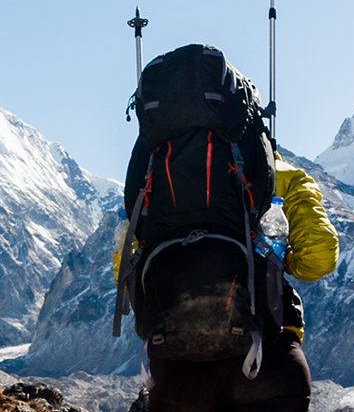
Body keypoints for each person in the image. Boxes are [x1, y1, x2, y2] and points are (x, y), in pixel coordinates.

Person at [143, 152, 339, 412]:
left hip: (174, 368)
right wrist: (282, 260)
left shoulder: (151, 177)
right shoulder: (275, 172)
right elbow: (319, 258)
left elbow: (125, 272)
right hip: (264, 359)